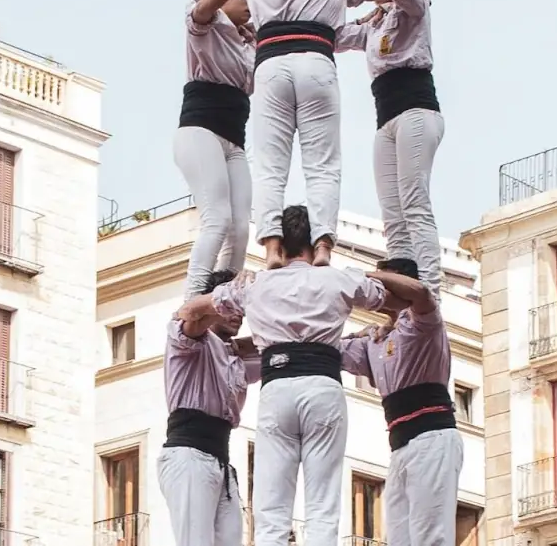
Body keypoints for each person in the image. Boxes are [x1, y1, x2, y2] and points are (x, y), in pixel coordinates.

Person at [180, 205, 432, 546]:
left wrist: (216, 304)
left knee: (271, 507)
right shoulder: (337, 277)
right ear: (317, 244)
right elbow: (403, 302)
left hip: (278, 387)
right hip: (323, 386)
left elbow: (190, 310)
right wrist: (378, 308)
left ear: (277, 246)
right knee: (323, 505)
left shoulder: (255, 284)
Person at [198, 0, 371, 269]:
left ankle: (273, 248)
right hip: (317, 62)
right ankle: (322, 246)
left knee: (270, 166)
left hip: (272, 66)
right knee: (322, 165)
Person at [337, 0, 444, 296]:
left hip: (416, 110)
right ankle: (402, 270)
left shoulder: (415, 7)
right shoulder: (374, 25)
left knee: (414, 200)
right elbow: (336, 37)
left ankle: (430, 285)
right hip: (386, 117)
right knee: (392, 207)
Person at [339, 259, 461, 546]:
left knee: (431, 536)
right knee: (398, 539)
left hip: (432, 437)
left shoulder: (424, 323)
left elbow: (421, 292)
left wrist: (365, 273)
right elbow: (324, 349)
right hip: (401, 446)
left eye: (386, 285)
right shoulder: (375, 341)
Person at [157, 295, 260, 546]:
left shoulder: (236, 361)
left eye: (241, 310)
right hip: (189, 453)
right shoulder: (188, 340)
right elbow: (191, 317)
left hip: (220, 461)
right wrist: (226, 297)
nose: (239, 315)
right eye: (232, 308)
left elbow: (288, 348)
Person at [175, 0, 255, 298]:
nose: (250, 3)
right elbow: (206, 5)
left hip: (234, 141)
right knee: (217, 219)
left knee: (240, 228)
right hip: (200, 132)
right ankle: (193, 299)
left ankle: (225, 297)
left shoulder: (248, 43)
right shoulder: (205, 28)